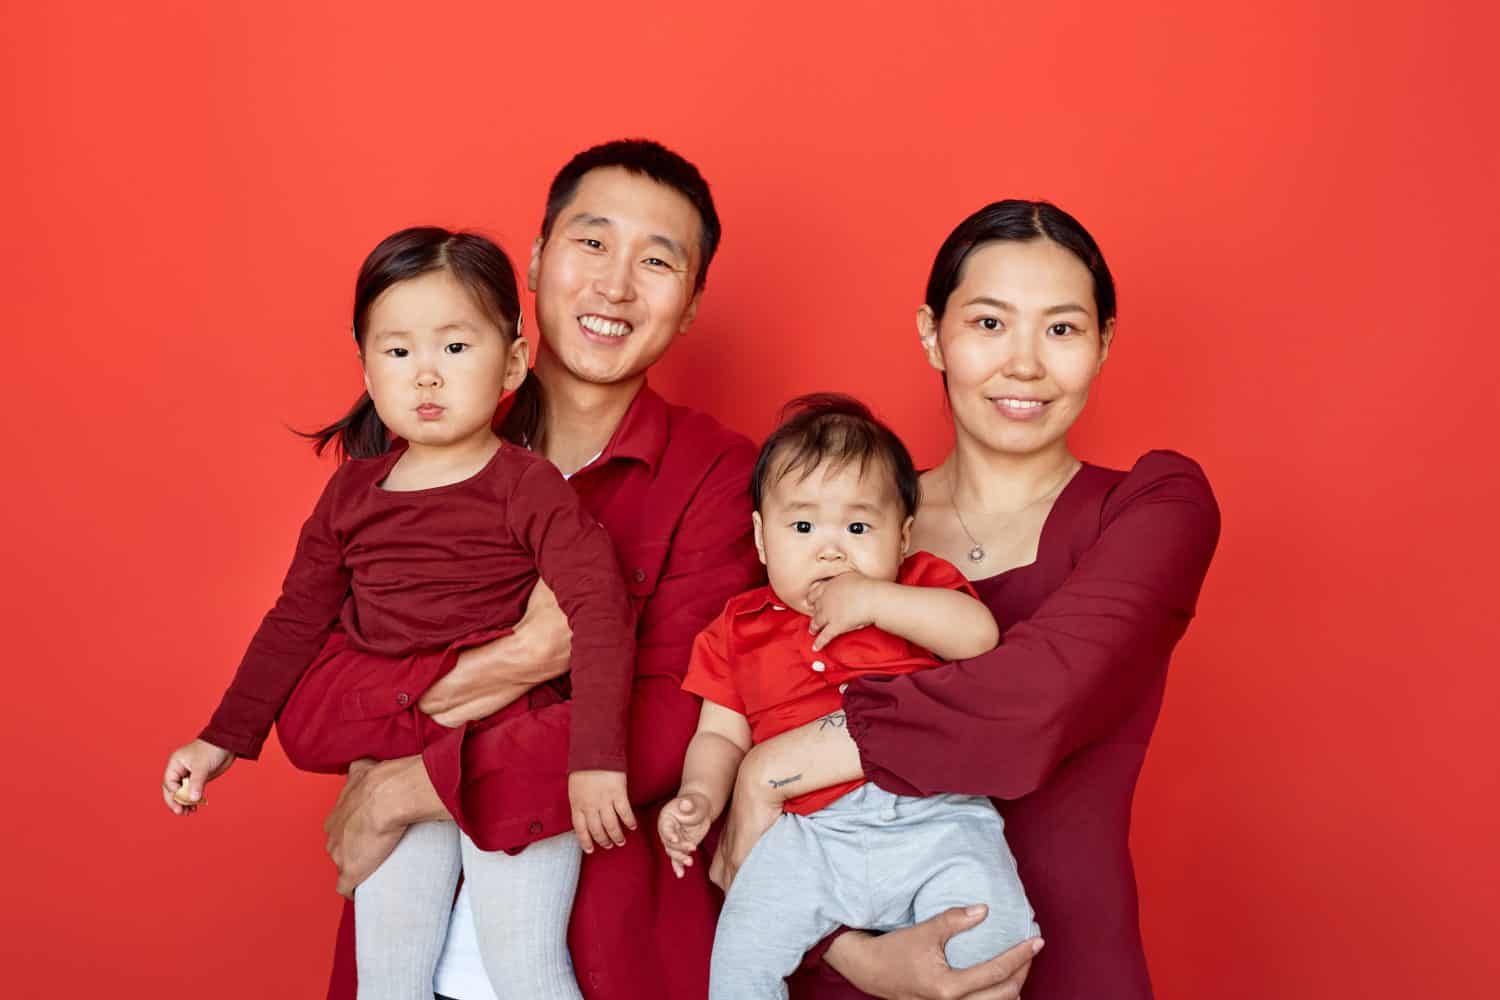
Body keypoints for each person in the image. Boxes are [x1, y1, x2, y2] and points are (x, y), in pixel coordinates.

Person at [700, 201, 1221, 999]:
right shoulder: (839, 517)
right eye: (988, 323)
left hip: (1071, 963)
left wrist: (779, 765)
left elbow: (1033, 701)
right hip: (852, 966)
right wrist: (851, 954)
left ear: (1104, 342)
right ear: (931, 332)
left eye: (1061, 329)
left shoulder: (1154, 507)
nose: (1024, 364)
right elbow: (746, 703)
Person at [160, 228, 635, 1000]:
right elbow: (294, 621)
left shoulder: (531, 485)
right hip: (393, 759)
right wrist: (221, 740)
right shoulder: (351, 495)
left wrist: (595, 759)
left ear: (512, 361)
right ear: (366, 367)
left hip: (509, 751)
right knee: (387, 978)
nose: (426, 374)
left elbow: (600, 614)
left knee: (526, 968)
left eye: (454, 347)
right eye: (397, 350)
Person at [660, 394, 1039, 999]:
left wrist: (875, 600)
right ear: (761, 538)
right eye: (802, 526)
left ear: (903, 536)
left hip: (934, 815)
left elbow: (979, 637)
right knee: (739, 953)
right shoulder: (737, 628)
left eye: (859, 527)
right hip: (806, 834)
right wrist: (699, 797)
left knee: (987, 935)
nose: (830, 549)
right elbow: (718, 733)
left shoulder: (917, 587)